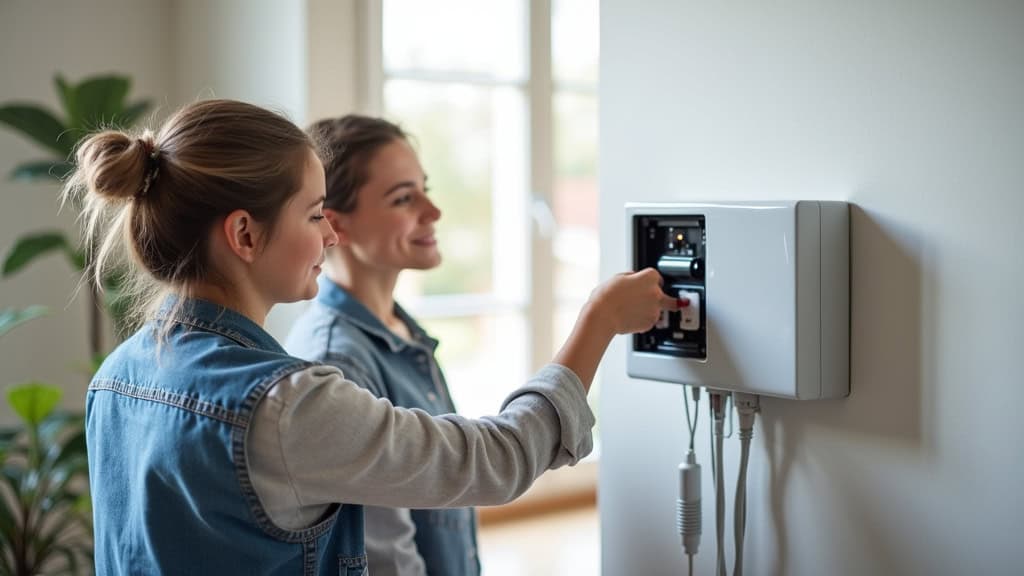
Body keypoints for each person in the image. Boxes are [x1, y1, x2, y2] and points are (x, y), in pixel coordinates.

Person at [69, 99, 678, 575]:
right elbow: (495, 461)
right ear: (245, 235)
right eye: (314, 215)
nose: (329, 236)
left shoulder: (114, 377)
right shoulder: (287, 406)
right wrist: (599, 321)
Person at [285, 115, 470, 575]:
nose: (433, 211)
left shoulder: (403, 332)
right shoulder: (337, 361)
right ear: (336, 225)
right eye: (404, 198)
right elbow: (384, 557)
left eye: (425, 189)